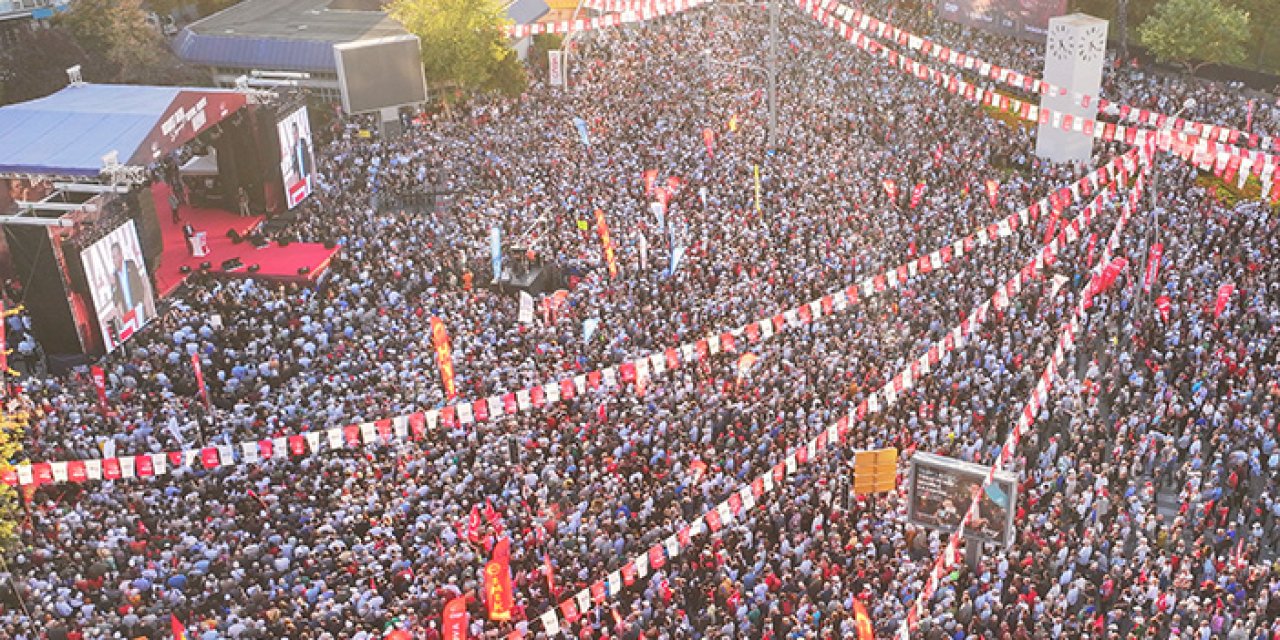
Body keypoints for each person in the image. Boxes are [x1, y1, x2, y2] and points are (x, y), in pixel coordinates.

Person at [107, 242, 148, 327]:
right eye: (112, 258)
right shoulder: (114, 276)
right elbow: (115, 301)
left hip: (138, 307)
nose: (114, 260)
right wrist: (113, 286)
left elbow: (139, 284)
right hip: (128, 314)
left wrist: (140, 302)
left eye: (115, 256)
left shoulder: (130, 264)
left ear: (121, 255)